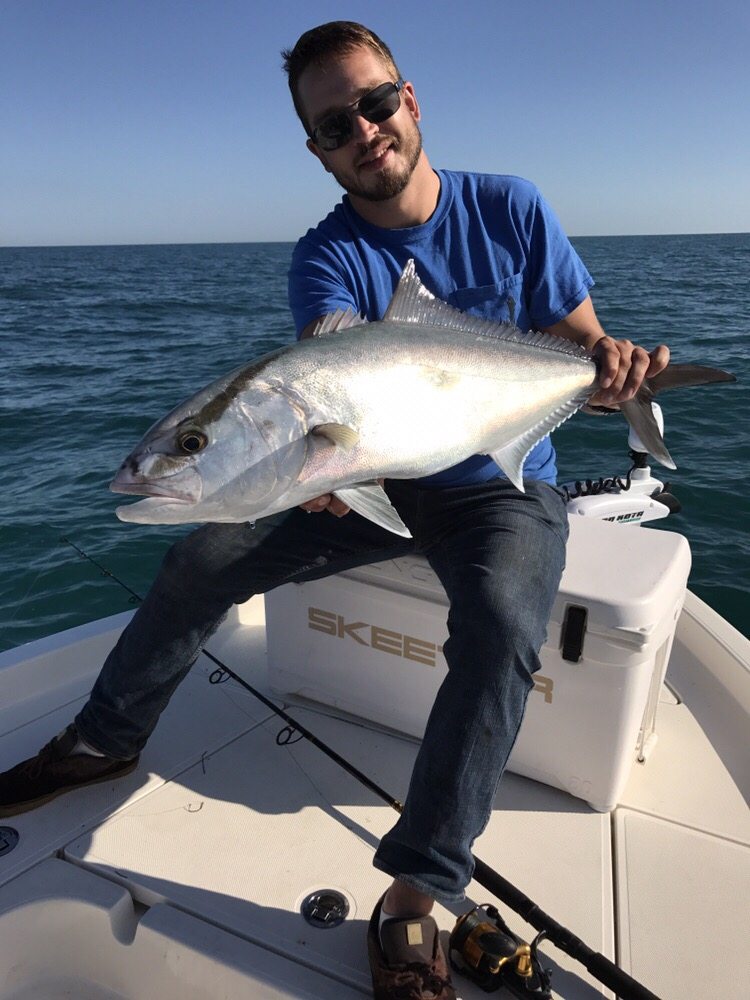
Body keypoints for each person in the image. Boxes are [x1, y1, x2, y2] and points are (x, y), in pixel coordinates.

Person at [0, 21, 669, 1000]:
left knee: (498, 619)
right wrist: (304, 457)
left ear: (411, 100)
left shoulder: (509, 207)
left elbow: (580, 341)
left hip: (498, 484)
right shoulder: (326, 256)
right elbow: (326, 360)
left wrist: (612, 374)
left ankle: (414, 895)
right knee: (202, 554)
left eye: (375, 101)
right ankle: (105, 738)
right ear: (316, 147)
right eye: (333, 121)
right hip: (368, 478)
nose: (364, 128)